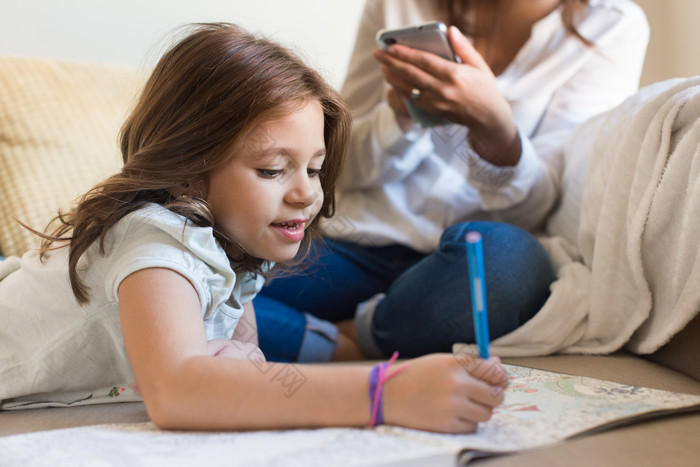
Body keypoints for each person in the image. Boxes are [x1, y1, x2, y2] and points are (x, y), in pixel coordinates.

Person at [0, 23, 509, 433]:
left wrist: (237, 365)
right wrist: (385, 391)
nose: (307, 193)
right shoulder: (155, 242)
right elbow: (178, 392)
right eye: (271, 170)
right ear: (189, 173)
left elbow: (252, 369)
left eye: (314, 168)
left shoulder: (235, 249)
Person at [254, 0, 650, 362]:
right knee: (210, 284)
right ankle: (355, 347)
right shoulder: (397, 6)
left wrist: (495, 127)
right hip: (354, 244)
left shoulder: (612, 25)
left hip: (467, 260)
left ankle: (352, 337)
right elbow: (337, 167)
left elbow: (547, 204)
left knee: (509, 268)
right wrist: (400, 119)